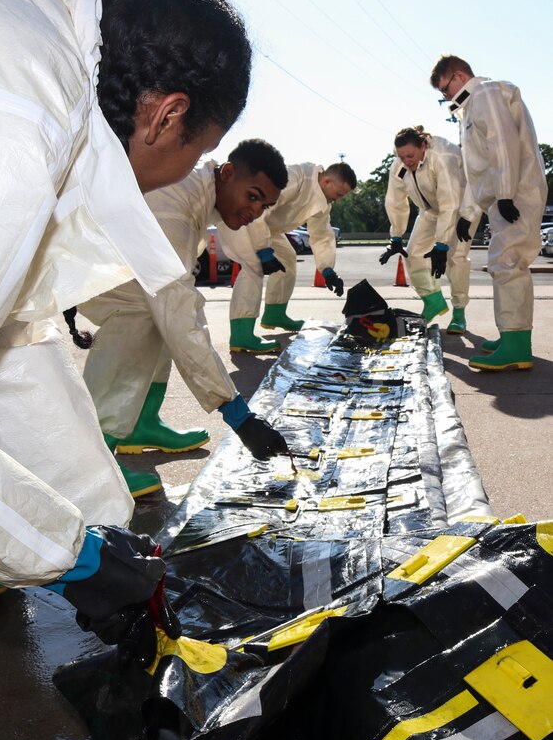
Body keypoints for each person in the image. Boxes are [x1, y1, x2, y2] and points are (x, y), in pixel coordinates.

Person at [0, 0, 251, 655]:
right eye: (197, 149)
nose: (190, 167)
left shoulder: (49, 60)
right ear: (166, 114)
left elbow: (13, 340)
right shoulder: (17, 133)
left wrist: (97, 520)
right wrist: (63, 550)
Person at [80, 139, 290, 496]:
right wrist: (237, 412)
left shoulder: (198, 198)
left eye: (264, 205)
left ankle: (142, 422)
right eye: (252, 196)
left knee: (160, 312)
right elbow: (178, 312)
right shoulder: (175, 206)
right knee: (144, 314)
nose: (255, 211)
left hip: (96, 261)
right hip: (76, 263)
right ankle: (91, 462)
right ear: (226, 173)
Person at [430, 54, 547, 369]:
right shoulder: (471, 107)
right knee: (502, 263)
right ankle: (511, 336)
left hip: (516, 192)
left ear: (458, 75)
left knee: (508, 262)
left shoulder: (485, 93)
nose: (446, 97)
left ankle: (517, 347)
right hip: (503, 196)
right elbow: (478, 170)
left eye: (445, 89)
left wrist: (507, 192)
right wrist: (469, 214)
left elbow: (502, 142)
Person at [217, 162, 357, 353]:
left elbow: (321, 234)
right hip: (243, 214)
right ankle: (241, 335)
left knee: (287, 259)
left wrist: (327, 269)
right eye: (339, 194)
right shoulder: (295, 177)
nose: (339, 200)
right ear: (327, 181)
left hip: (267, 228)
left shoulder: (323, 202)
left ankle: (275, 314)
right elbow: (258, 202)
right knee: (254, 266)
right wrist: (262, 250)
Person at [381, 126, 481, 332]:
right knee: (413, 253)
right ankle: (433, 300)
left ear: (423, 146)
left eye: (410, 155)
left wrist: (442, 244)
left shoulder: (443, 156)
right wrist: (396, 236)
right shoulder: (399, 165)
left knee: (456, 258)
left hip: (462, 209)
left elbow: (450, 201)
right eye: (401, 156)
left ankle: (459, 313)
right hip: (430, 210)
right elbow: (395, 201)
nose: (406, 161)